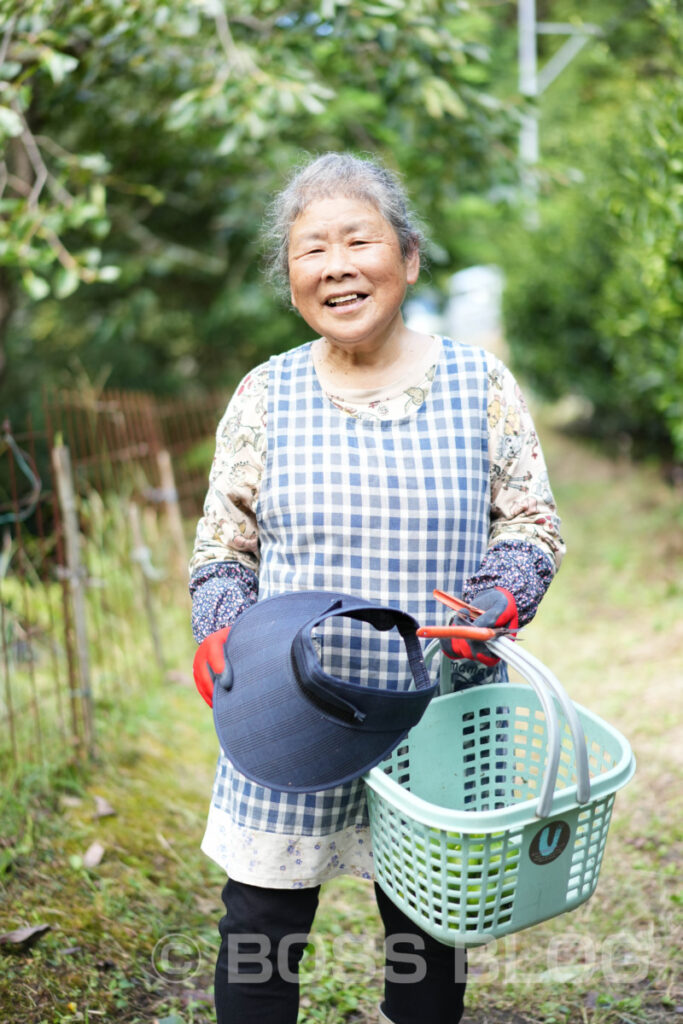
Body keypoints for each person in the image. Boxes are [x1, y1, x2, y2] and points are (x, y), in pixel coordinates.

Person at [189, 152, 565, 1024]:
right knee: (261, 921)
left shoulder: (479, 385)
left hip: (439, 704)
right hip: (291, 706)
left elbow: (530, 523)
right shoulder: (265, 394)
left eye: (358, 241)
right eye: (310, 251)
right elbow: (223, 544)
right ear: (290, 281)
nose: (335, 266)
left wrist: (502, 596)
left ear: (407, 257)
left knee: (426, 930)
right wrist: (219, 625)